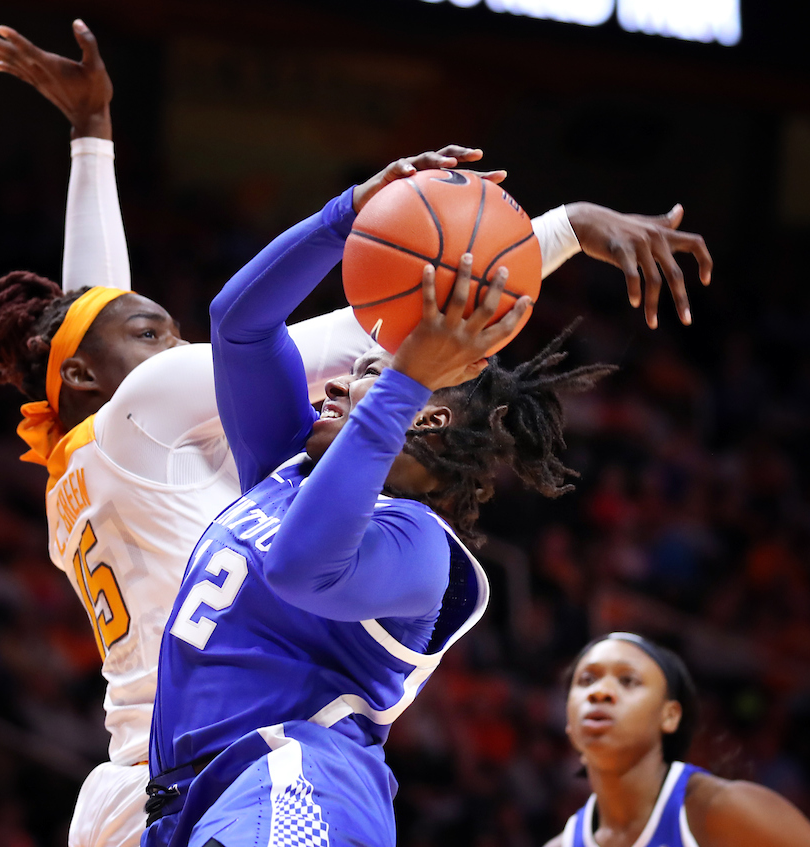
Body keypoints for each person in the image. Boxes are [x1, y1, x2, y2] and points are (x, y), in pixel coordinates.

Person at [0, 21, 714, 847]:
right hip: (187, 775)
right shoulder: (161, 409)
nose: (181, 352)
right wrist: (559, 231)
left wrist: (91, 139)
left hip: (209, 769)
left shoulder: (87, 458)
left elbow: (99, 318)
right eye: (156, 336)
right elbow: (379, 334)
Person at [140, 163, 625, 847]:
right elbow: (239, 322)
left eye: (368, 375)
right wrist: (346, 214)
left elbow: (300, 567)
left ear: (423, 418)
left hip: (293, 779)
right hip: (195, 799)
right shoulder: (287, 466)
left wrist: (403, 383)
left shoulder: (418, 545)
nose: (334, 384)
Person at [548, 633, 810, 847]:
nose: (600, 692)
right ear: (570, 725)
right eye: (586, 680)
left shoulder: (721, 811)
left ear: (669, 716)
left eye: (628, 680)